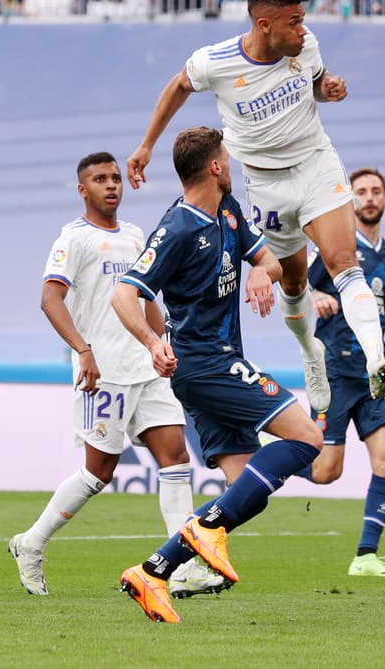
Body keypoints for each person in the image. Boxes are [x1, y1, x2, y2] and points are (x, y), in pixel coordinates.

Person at [125, 0, 385, 418]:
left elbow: (314, 82)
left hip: (316, 165)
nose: (302, 30)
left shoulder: (305, 46)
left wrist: (326, 87)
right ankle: (310, 352)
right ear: (264, 24)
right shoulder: (214, 62)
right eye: (294, 22)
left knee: (343, 261)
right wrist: (146, 146)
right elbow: (178, 86)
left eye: (303, 20)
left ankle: (375, 359)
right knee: (293, 283)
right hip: (266, 185)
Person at [115, 127, 324, 624]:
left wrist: (260, 272)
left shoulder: (228, 212)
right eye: (226, 156)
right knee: (308, 438)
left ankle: (153, 571)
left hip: (217, 362)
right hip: (206, 364)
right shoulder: (179, 228)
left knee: (244, 492)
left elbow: (272, 261)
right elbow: (125, 295)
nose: (231, 163)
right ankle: (201, 532)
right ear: (214, 166)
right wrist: (152, 342)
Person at [8, 152, 224, 600]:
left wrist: (161, 340)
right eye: (99, 179)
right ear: (82, 189)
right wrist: (83, 351)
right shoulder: (74, 238)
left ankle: (181, 568)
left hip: (146, 366)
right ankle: (31, 542)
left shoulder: (135, 235)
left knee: (176, 458)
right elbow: (51, 299)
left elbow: (144, 294)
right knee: (97, 473)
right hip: (102, 371)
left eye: (114, 178)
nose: (111, 185)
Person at [304, 168, 385, 577]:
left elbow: (375, 311)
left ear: (384, 199)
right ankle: (266, 453)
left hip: (375, 371)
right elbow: (294, 282)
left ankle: (365, 556)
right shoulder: (334, 246)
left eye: (375, 191)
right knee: (325, 471)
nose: (368, 198)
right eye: (360, 192)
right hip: (334, 370)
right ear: (350, 200)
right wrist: (317, 296)